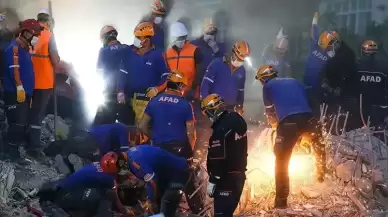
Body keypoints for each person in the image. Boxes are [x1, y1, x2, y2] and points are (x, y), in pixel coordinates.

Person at [255, 64, 326, 208]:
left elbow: (270, 113)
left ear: (263, 79)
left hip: (288, 123)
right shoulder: (294, 81)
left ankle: (281, 201)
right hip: (310, 119)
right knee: (319, 147)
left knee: (281, 159)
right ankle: (322, 178)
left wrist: (276, 127)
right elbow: (309, 98)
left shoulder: (267, 87)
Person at [138, 71, 204, 214]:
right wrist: (190, 150)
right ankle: (199, 211)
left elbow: (142, 126)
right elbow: (191, 131)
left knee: (160, 184)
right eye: (183, 87)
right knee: (188, 182)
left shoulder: (154, 101)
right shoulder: (185, 104)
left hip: (158, 149)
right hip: (179, 149)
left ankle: (159, 213)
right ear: (180, 86)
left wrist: (154, 137)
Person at [38, 152, 133, 217]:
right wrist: (125, 211)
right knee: (101, 196)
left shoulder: (97, 164)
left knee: (100, 192)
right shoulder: (106, 177)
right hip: (66, 198)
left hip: (62, 192)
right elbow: (114, 195)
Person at [200, 93, 248, 217]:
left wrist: (213, 180)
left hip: (226, 180)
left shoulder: (221, 130)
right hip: (239, 176)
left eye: (207, 113)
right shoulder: (237, 119)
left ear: (212, 110)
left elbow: (218, 158)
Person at [111, 145, 191, 217]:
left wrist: (150, 200)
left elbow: (152, 182)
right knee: (160, 205)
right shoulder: (129, 154)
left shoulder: (136, 162)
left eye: (119, 170)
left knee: (165, 209)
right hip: (167, 176)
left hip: (178, 174)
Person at [2, 19, 43, 159]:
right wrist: (19, 86)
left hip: (24, 93)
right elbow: (14, 69)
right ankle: (5, 151)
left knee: (21, 123)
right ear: (26, 33)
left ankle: (12, 153)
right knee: (17, 124)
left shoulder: (25, 50)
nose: (36, 38)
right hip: (15, 92)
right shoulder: (14, 48)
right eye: (35, 34)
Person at [118, 22, 168, 125]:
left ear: (147, 40)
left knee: (147, 127)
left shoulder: (158, 54)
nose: (135, 39)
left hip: (150, 100)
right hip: (131, 99)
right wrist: (120, 91)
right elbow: (122, 73)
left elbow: (166, 76)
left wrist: (157, 89)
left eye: (138, 37)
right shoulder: (129, 52)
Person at [50, 123, 147, 174]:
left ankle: (65, 157)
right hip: (95, 140)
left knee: (79, 149)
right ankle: (58, 153)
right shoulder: (124, 130)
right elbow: (124, 152)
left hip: (94, 138)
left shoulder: (120, 129)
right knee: (78, 148)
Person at [29, 9, 61, 158]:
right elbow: (55, 60)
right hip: (44, 82)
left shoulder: (29, 33)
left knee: (29, 111)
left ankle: (25, 139)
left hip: (28, 80)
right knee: (38, 114)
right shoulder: (49, 35)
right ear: (49, 21)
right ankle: (34, 146)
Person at [200, 40, 250, 114]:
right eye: (238, 59)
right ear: (233, 53)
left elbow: (241, 90)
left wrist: (240, 106)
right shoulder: (217, 64)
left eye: (242, 60)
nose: (240, 62)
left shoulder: (242, 70)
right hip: (214, 107)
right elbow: (205, 84)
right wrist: (205, 102)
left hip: (231, 108)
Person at [95, 25, 130, 125]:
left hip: (109, 94)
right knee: (128, 127)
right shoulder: (127, 48)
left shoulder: (103, 51)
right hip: (127, 94)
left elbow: (99, 71)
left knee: (101, 126)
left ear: (105, 38)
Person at [165, 22, 203, 99]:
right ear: (173, 38)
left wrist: (195, 89)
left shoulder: (195, 50)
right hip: (171, 92)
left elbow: (200, 72)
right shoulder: (168, 53)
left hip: (189, 92)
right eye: (179, 38)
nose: (181, 41)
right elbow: (166, 71)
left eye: (183, 37)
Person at [357, 40, 388, 128]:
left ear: (362, 51)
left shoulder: (356, 67)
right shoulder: (384, 69)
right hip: (379, 111)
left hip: (360, 109)